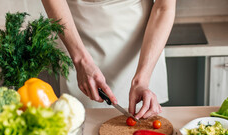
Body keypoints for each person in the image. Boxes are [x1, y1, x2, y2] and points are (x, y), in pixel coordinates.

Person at [42, 0, 176, 119]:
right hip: (75, 36)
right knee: (84, 123)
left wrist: (142, 80)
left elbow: (164, 7)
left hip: (141, 49)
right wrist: (80, 60)